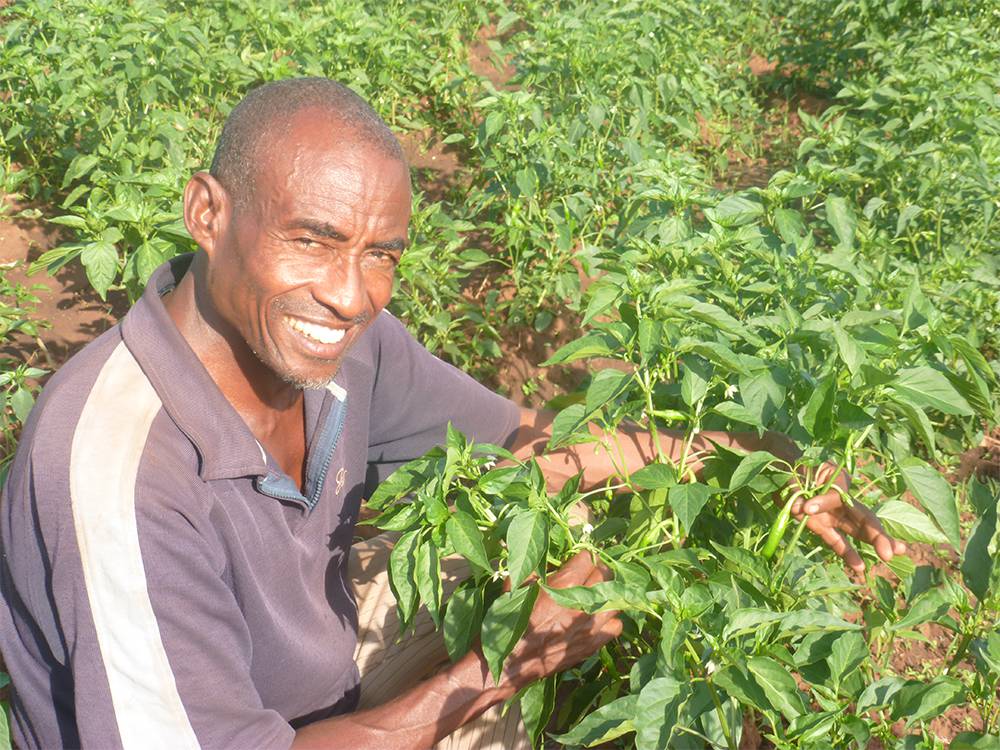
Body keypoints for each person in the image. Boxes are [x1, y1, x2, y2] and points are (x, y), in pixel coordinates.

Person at [0, 78, 906, 750]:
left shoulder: (344, 345)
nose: (352, 295)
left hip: (323, 675)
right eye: (310, 239)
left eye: (381, 253)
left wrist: (755, 461)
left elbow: (532, 447)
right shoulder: (123, 473)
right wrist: (505, 664)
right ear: (208, 211)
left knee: (599, 517)